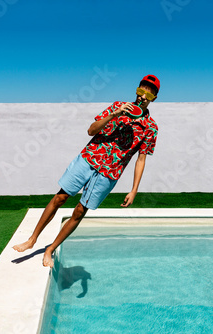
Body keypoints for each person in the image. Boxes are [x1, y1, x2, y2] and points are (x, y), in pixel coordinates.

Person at [13, 75, 160, 267]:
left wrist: (134, 190)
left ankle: (50, 249)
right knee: (60, 198)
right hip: (88, 159)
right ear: (136, 90)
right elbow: (91, 131)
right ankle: (32, 239)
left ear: (154, 97)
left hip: (109, 173)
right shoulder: (117, 106)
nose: (143, 96)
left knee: (79, 211)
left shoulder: (150, 128)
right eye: (141, 91)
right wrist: (115, 114)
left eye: (149, 93)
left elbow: (141, 159)